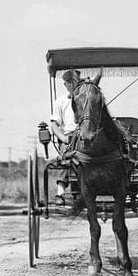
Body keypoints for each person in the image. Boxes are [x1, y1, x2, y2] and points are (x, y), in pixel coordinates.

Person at [49, 69, 81, 203]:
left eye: (75, 82)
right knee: (66, 156)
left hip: (86, 135)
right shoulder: (60, 102)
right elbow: (54, 125)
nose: (72, 85)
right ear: (65, 84)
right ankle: (60, 192)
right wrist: (63, 138)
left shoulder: (87, 99)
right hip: (69, 137)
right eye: (69, 82)